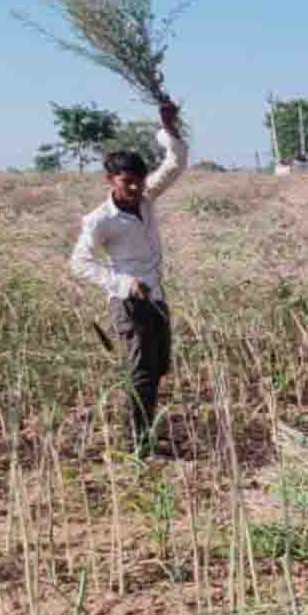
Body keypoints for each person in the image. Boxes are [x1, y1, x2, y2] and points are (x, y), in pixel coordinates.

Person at [70, 102, 190, 456]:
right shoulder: (99, 220)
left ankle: (146, 431)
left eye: (139, 180)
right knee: (141, 370)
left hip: (156, 296)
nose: (135, 188)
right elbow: (79, 263)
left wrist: (168, 127)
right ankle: (140, 443)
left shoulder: (147, 197)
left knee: (158, 367)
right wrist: (124, 283)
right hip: (127, 302)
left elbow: (176, 163)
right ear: (110, 180)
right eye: (127, 182)